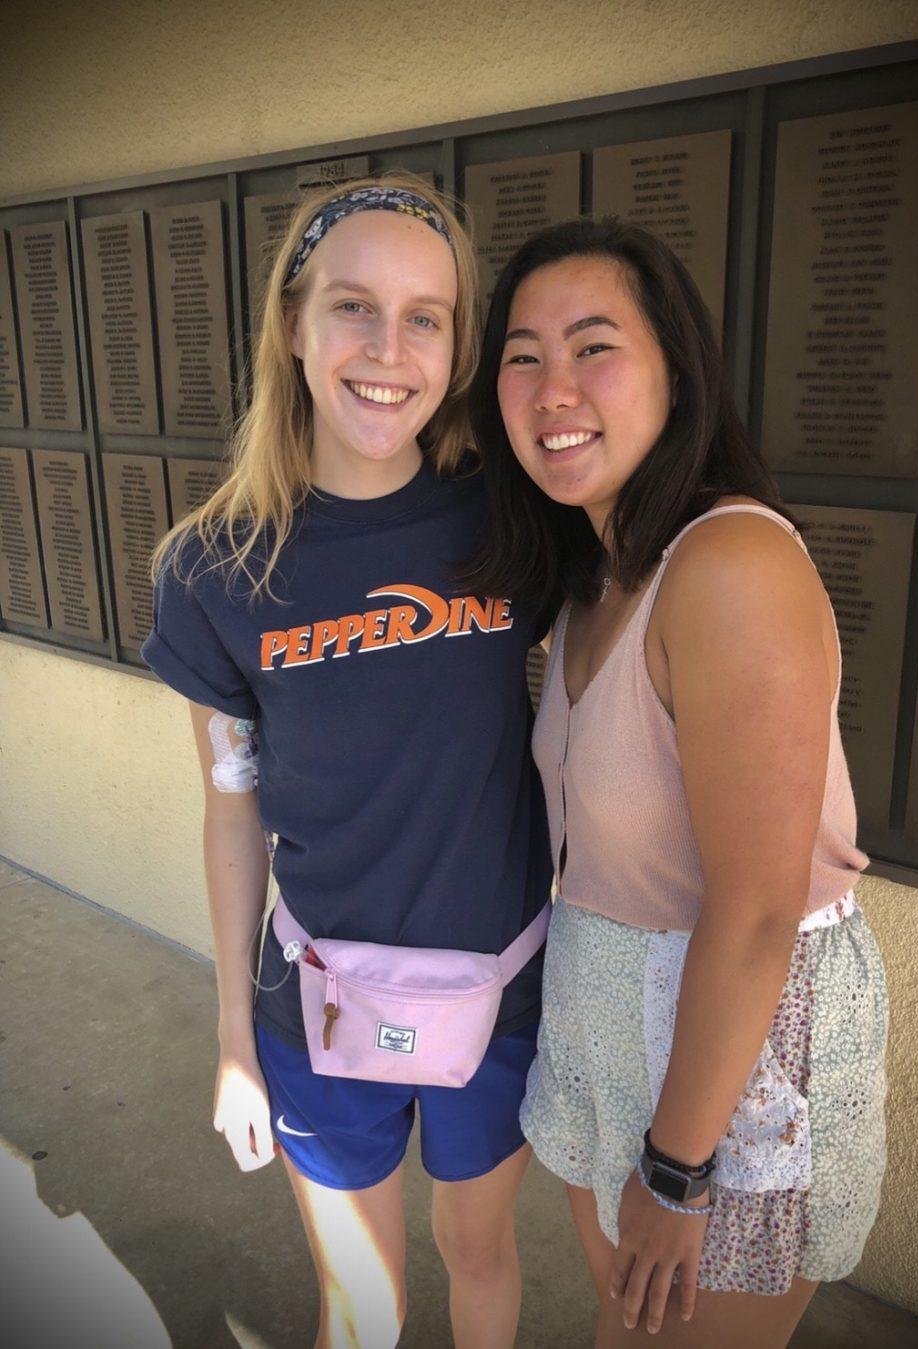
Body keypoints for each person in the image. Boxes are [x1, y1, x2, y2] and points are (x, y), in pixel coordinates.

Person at [143, 175, 552, 1349]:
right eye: (352, 307)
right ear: (292, 324)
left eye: (426, 315)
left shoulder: (512, 518)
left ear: (459, 343)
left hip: (504, 985)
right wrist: (231, 1036)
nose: (389, 348)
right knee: (361, 1305)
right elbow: (231, 806)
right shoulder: (213, 568)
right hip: (317, 998)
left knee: (478, 1255)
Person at [468, 217, 889, 1348]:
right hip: (609, 1023)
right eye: (520, 354)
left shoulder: (730, 564)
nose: (553, 386)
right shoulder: (593, 577)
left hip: (726, 1067)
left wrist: (677, 1169)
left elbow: (754, 911)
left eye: (593, 345)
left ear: (675, 372)